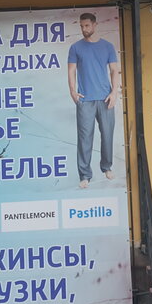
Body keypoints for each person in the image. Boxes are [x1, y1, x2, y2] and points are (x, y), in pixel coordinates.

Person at [67, 12, 120, 189]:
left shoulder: (108, 47)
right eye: (82, 26)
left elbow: (114, 71)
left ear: (95, 25)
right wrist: (73, 91)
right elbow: (71, 71)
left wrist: (114, 93)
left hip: (105, 98)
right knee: (84, 138)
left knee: (107, 134)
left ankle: (107, 167)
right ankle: (84, 175)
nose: (84, 29)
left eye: (87, 25)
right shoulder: (75, 48)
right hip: (86, 100)